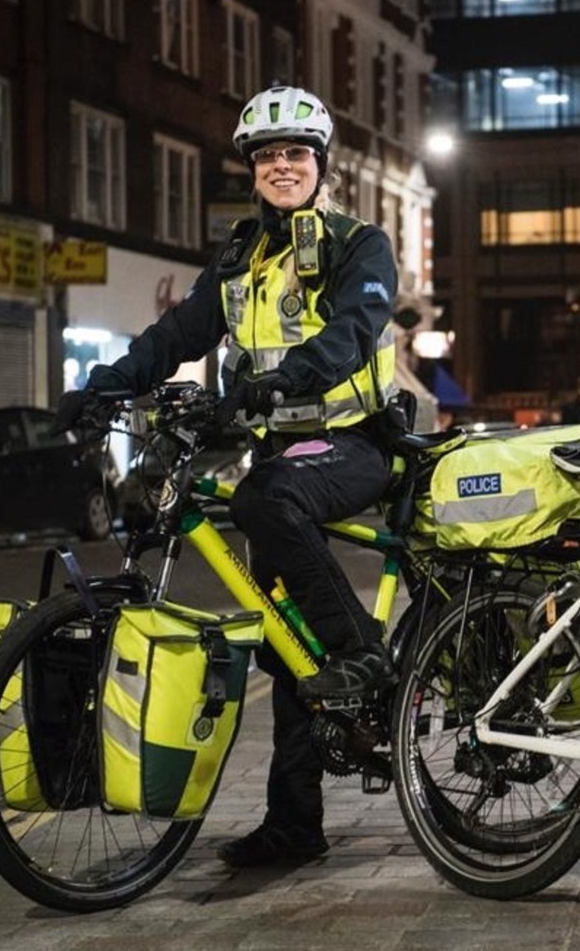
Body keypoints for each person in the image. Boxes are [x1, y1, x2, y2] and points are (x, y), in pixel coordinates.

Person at [54, 85, 400, 868]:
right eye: (268, 156)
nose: (282, 167)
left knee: (263, 498)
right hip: (283, 453)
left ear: (321, 164)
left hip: (351, 445)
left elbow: (352, 331)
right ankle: (294, 823)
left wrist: (286, 381)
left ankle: (365, 651)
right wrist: (105, 381)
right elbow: (179, 331)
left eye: (296, 154)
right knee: (285, 643)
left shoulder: (359, 244)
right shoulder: (242, 256)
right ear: (252, 170)